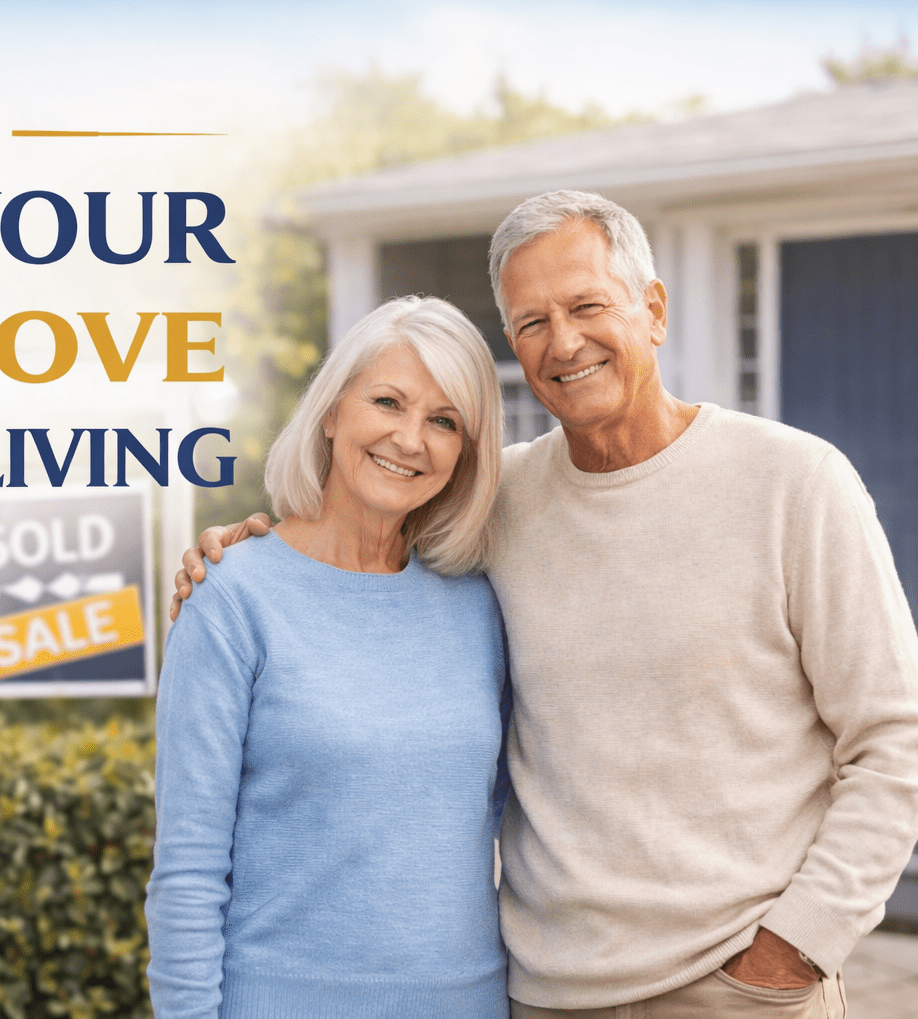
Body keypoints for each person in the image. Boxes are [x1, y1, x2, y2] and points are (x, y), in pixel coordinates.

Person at [174, 190, 918, 1018]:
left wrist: (800, 944)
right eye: (531, 323)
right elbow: (354, 558)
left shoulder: (796, 483)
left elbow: (897, 740)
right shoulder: (499, 504)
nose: (563, 342)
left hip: (738, 987)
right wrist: (247, 549)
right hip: (546, 995)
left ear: (654, 309)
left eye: (588, 305)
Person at [145, 295, 512, 1018]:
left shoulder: (480, 606)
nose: (411, 439)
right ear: (333, 410)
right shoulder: (232, 599)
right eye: (388, 401)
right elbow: (188, 868)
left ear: (468, 451)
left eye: (444, 421)